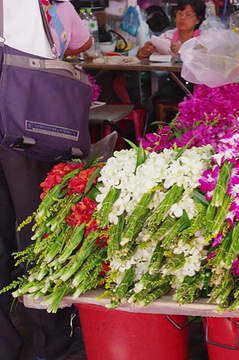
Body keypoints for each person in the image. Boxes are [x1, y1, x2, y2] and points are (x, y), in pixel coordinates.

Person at [0, 1, 91, 360]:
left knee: (10, 230)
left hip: (18, 106)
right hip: (23, 113)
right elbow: (67, 43)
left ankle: (7, 344)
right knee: (35, 228)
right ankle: (51, 342)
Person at [136, 0, 206, 124]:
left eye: (188, 15)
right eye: (179, 13)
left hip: (198, 85)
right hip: (175, 83)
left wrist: (184, 51)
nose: (182, 18)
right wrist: (145, 51)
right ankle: (157, 136)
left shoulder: (203, 39)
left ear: (198, 19)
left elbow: (207, 60)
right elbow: (141, 58)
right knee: (152, 101)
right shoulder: (167, 36)